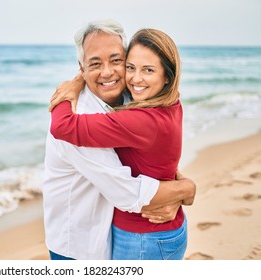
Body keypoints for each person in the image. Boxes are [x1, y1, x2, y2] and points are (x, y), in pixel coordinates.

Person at [43, 19, 195, 260]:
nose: (107, 72)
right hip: (80, 246)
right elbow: (130, 194)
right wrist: (185, 189)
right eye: (94, 64)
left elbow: (150, 152)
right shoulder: (79, 114)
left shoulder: (132, 96)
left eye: (116, 61)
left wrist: (177, 187)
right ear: (81, 68)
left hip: (127, 237)